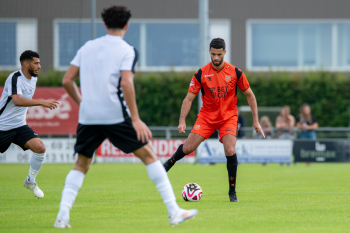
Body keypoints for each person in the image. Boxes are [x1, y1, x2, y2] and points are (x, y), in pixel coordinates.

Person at [54, 5, 197, 228]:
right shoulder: (127, 50)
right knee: (149, 155)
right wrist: (136, 119)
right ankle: (174, 212)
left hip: (88, 116)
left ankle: (62, 216)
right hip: (114, 114)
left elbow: (66, 80)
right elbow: (126, 82)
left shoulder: (87, 47)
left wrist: (83, 103)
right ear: (127, 26)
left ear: (104, 25)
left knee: (81, 164)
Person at [162, 38, 265, 202]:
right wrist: (182, 121)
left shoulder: (235, 73)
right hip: (207, 116)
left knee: (230, 150)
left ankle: (232, 193)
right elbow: (188, 99)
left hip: (228, 117)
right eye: (213, 54)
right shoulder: (201, 73)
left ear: (225, 52)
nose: (216, 58)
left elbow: (250, 96)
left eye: (219, 54)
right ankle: (168, 164)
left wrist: (256, 121)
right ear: (209, 52)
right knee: (188, 148)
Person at [0, 50, 59, 198]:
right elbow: (18, 100)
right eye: (36, 63)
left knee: (40, 148)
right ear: (26, 64)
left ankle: (30, 181)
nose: (39, 66)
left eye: (39, 63)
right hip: (2, 126)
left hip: (19, 126)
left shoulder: (34, 78)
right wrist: (42, 102)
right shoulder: (15, 78)